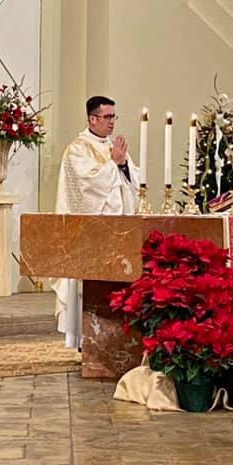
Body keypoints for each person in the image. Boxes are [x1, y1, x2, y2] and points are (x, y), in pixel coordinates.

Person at [52, 95, 139, 348]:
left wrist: (122, 166)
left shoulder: (112, 147)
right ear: (92, 118)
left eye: (114, 117)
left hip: (117, 231)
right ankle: (83, 338)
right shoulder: (78, 148)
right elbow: (87, 186)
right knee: (86, 285)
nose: (112, 122)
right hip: (88, 234)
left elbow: (132, 184)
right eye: (107, 117)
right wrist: (113, 164)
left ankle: (114, 336)